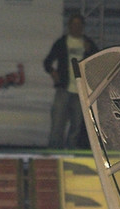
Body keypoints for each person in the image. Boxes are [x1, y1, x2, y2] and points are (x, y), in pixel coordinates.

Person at [42, 12, 98, 149]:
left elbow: (97, 63)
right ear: (69, 26)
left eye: (79, 25)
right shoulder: (62, 42)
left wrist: (90, 51)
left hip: (81, 92)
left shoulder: (88, 43)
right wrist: (53, 72)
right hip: (63, 89)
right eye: (73, 25)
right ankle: (54, 154)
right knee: (57, 125)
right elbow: (47, 62)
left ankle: (71, 154)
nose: (76, 28)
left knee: (76, 126)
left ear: (83, 27)